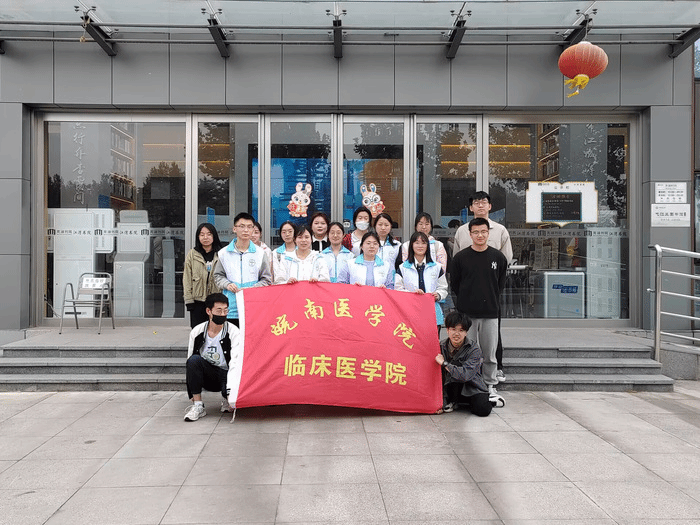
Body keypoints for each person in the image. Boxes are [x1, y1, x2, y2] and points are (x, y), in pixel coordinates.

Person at [452, 191, 513, 383]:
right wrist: (465, 295)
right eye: (476, 202)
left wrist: (491, 292)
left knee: (490, 348)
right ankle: (468, 382)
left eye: (484, 202)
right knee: (466, 348)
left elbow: (502, 272)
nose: (480, 235)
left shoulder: (500, 233)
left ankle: (491, 381)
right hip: (468, 305)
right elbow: (456, 279)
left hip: (490, 304)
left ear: (490, 206)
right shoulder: (461, 235)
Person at [451, 217, 507, 401]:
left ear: (488, 233)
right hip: (467, 314)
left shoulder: (498, 257)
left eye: (483, 231)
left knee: (489, 352)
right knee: (468, 352)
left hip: (490, 313)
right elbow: (455, 285)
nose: (480, 235)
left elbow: (500, 284)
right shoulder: (460, 258)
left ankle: (490, 385)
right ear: (470, 234)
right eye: (476, 232)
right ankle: (470, 384)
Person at [184, 293, 242, 421]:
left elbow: (235, 362)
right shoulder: (197, 331)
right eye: (219, 310)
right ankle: (198, 406)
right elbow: (190, 361)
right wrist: (191, 392)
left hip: (227, 375)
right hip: (208, 375)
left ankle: (226, 398)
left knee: (231, 401)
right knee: (193, 360)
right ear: (208, 311)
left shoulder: (233, 332)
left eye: (225, 310)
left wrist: (230, 391)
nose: (223, 314)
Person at [213, 212, 272, 327]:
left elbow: (267, 279)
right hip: (230, 308)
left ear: (253, 229)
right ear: (234, 229)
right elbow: (218, 276)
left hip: (253, 307)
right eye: (242, 226)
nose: (246, 230)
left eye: (249, 227)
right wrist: (227, 284)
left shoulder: (260, 253)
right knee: (232, 337)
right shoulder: (224, 253)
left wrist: (252, 289)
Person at [434, 310, 497, 416]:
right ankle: (452, 401)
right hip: (449, 388)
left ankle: (492, 401)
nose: (457, 334)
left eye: (461, 330)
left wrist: (445, 363)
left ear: (466, 332)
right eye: (453, 329)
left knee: (483, 410)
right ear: (448, 330)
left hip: (470, 386)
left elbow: (465, 375)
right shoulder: (440, 347)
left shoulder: (474, 349)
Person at [395, 231, 448, 327]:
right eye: (417, 243)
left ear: (428, 246)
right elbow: (398, 289)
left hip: (432, 311)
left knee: (432, 336)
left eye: (423, 243)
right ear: (411, 245)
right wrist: (412, 294)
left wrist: (438, 295)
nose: (420, 246)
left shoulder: (436, 267)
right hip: (410, 312)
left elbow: (443, 288)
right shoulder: (402, 268)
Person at [183, 223, 224, 328]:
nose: (205, 237)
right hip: (198, 301)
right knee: (199, 331)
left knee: (216, 330)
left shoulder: (221, 254)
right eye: (202, 234)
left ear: (214, 236)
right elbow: (187, 278)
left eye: (209, 234)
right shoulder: (192, 254)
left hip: (217, 301)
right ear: (198, 237)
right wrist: (189, 300)